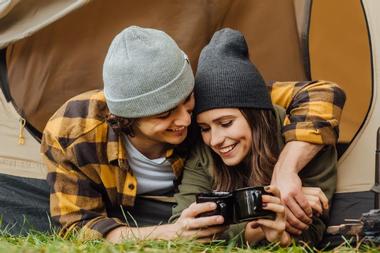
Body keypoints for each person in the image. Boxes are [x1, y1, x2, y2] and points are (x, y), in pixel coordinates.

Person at [40, 26, 345, 243]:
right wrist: (174, 233)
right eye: (164, 114)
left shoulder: (212, 99)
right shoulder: (73, 134)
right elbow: (80, 230)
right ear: (127, 119)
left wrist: (284, 172)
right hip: (157, 222)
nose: (186, 120)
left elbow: (322, 94)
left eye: (186, 101)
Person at [170, 28, 340, 246]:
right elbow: (182, 228)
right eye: (205, 128)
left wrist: (283, 239)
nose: (215, 140)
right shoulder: (203, 151)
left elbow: (311, 232)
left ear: (255, 116)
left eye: (225, 123)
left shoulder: (308, 141)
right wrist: (259, 220)